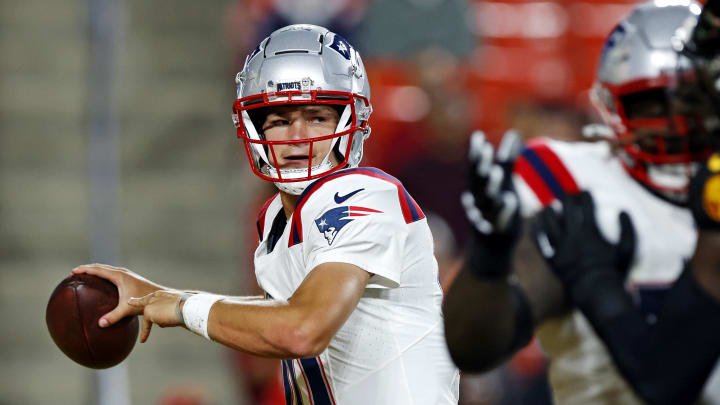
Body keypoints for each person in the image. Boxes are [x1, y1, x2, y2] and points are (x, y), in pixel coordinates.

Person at [73, 24, 459, 405]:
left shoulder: (367, 195)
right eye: (278, 120)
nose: (296, 136)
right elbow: (288, 315)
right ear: (252, 129)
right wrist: (166, 296)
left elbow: (302, 330)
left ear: (350, 122)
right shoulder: (276, 219)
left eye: (317, 117)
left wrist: (181, 306)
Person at [443, 2, 720, 404]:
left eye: (690, 101)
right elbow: (474, 348)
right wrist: (489, 257)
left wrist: (597, 282)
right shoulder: (580, 191)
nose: (675, 121)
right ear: (612, 106)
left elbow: (663, 383)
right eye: (652, 103)